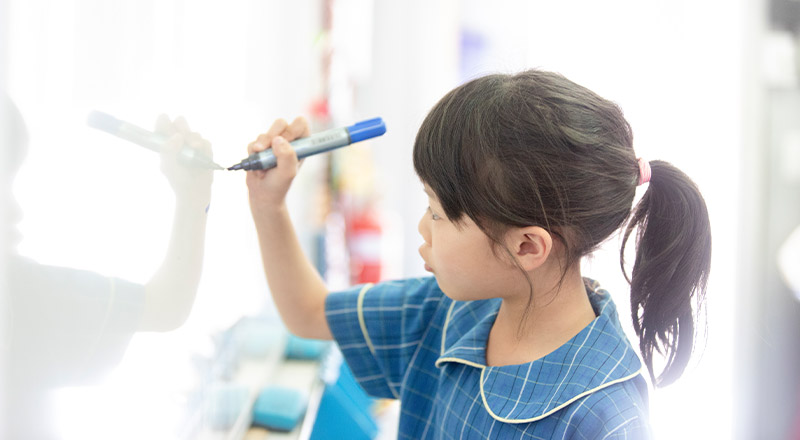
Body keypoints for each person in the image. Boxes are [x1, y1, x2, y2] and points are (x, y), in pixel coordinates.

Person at [244, 70, 711, 439]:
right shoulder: (446, 312)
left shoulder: (604, 417)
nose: (423, 228)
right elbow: (308, 313)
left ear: (527, 246)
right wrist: (269, 204)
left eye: (437, 213)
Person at [2, 94, 214, 439]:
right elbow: (165, 308)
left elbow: (163, 307)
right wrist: (193, 198)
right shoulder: (18, 293)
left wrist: (193, 199)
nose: (16, 212)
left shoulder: (21, 292)